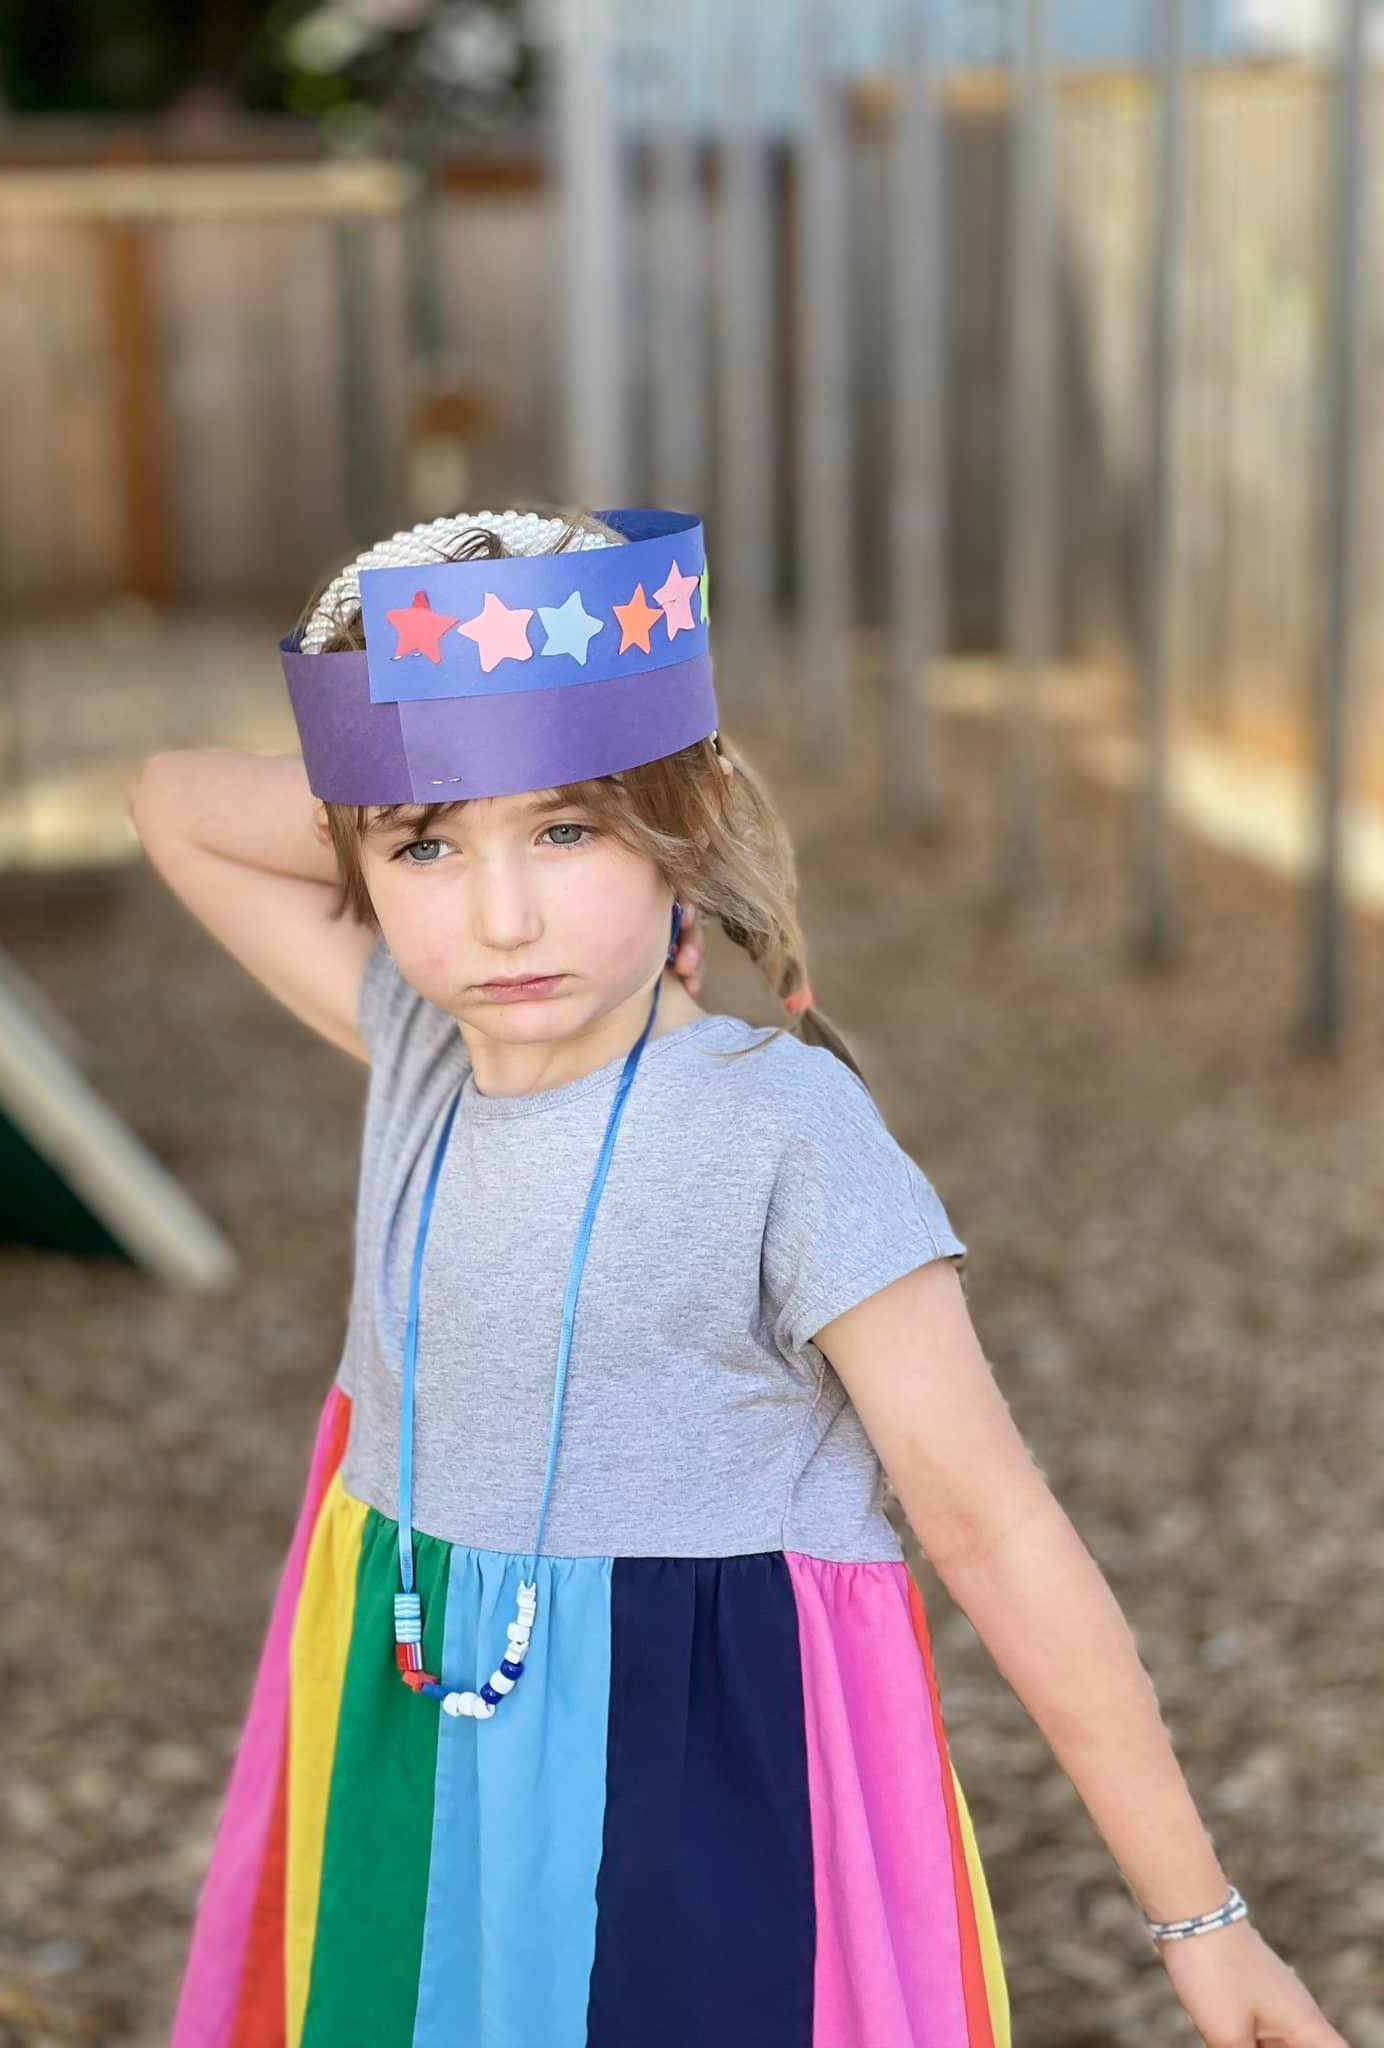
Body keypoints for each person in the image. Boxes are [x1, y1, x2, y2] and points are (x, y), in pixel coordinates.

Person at [133, 505, 1347, 2048]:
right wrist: (409, 776)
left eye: (568, 830)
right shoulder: (427, 1045)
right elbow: (169, 801)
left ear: (685, 823)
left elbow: (992, 1522)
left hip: (704, 1776)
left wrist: (1203, 1922)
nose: (499, 918)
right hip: (417, 1739)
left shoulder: (781, 1131)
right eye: (428, 848)